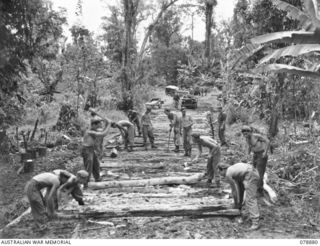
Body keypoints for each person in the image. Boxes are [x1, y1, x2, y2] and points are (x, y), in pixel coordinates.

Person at [218, 162, 260, 230]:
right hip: (251, 172)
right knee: (243, 192)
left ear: (223, 169)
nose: (221, 175)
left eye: (220, 172)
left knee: (250, 199)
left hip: (251, 174)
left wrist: (235, 204)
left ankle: (255, 223)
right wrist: (238, 205)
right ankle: (241, 211)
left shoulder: (228, 173)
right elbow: (240, 190)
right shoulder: (234, 170)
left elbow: (234, 191)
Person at [82, 117, 111, 187]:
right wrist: (109, 124)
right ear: (94, 125)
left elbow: (103, 130)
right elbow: (103, 134)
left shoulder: (93, 129)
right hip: (87, 150)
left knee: (96, 164)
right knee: (89, 166)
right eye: (98, 125)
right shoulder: (90, 131)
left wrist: (107, 124)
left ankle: (97, 178)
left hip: (91, 149)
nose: (99, 127)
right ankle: (85, 182)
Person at [241, 125, 270, 194]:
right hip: (255, 155)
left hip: (261, 154)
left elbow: (267, 141)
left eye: (247, 131)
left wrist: (265, 152)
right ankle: (255, 186)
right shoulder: (247, 138)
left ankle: (260, 189)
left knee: (259, 172)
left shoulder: (256, 136)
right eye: (244, 131)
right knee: (253, 171)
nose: (245, 133)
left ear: (250, 132)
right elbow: (249, 146)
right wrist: (247, 155)